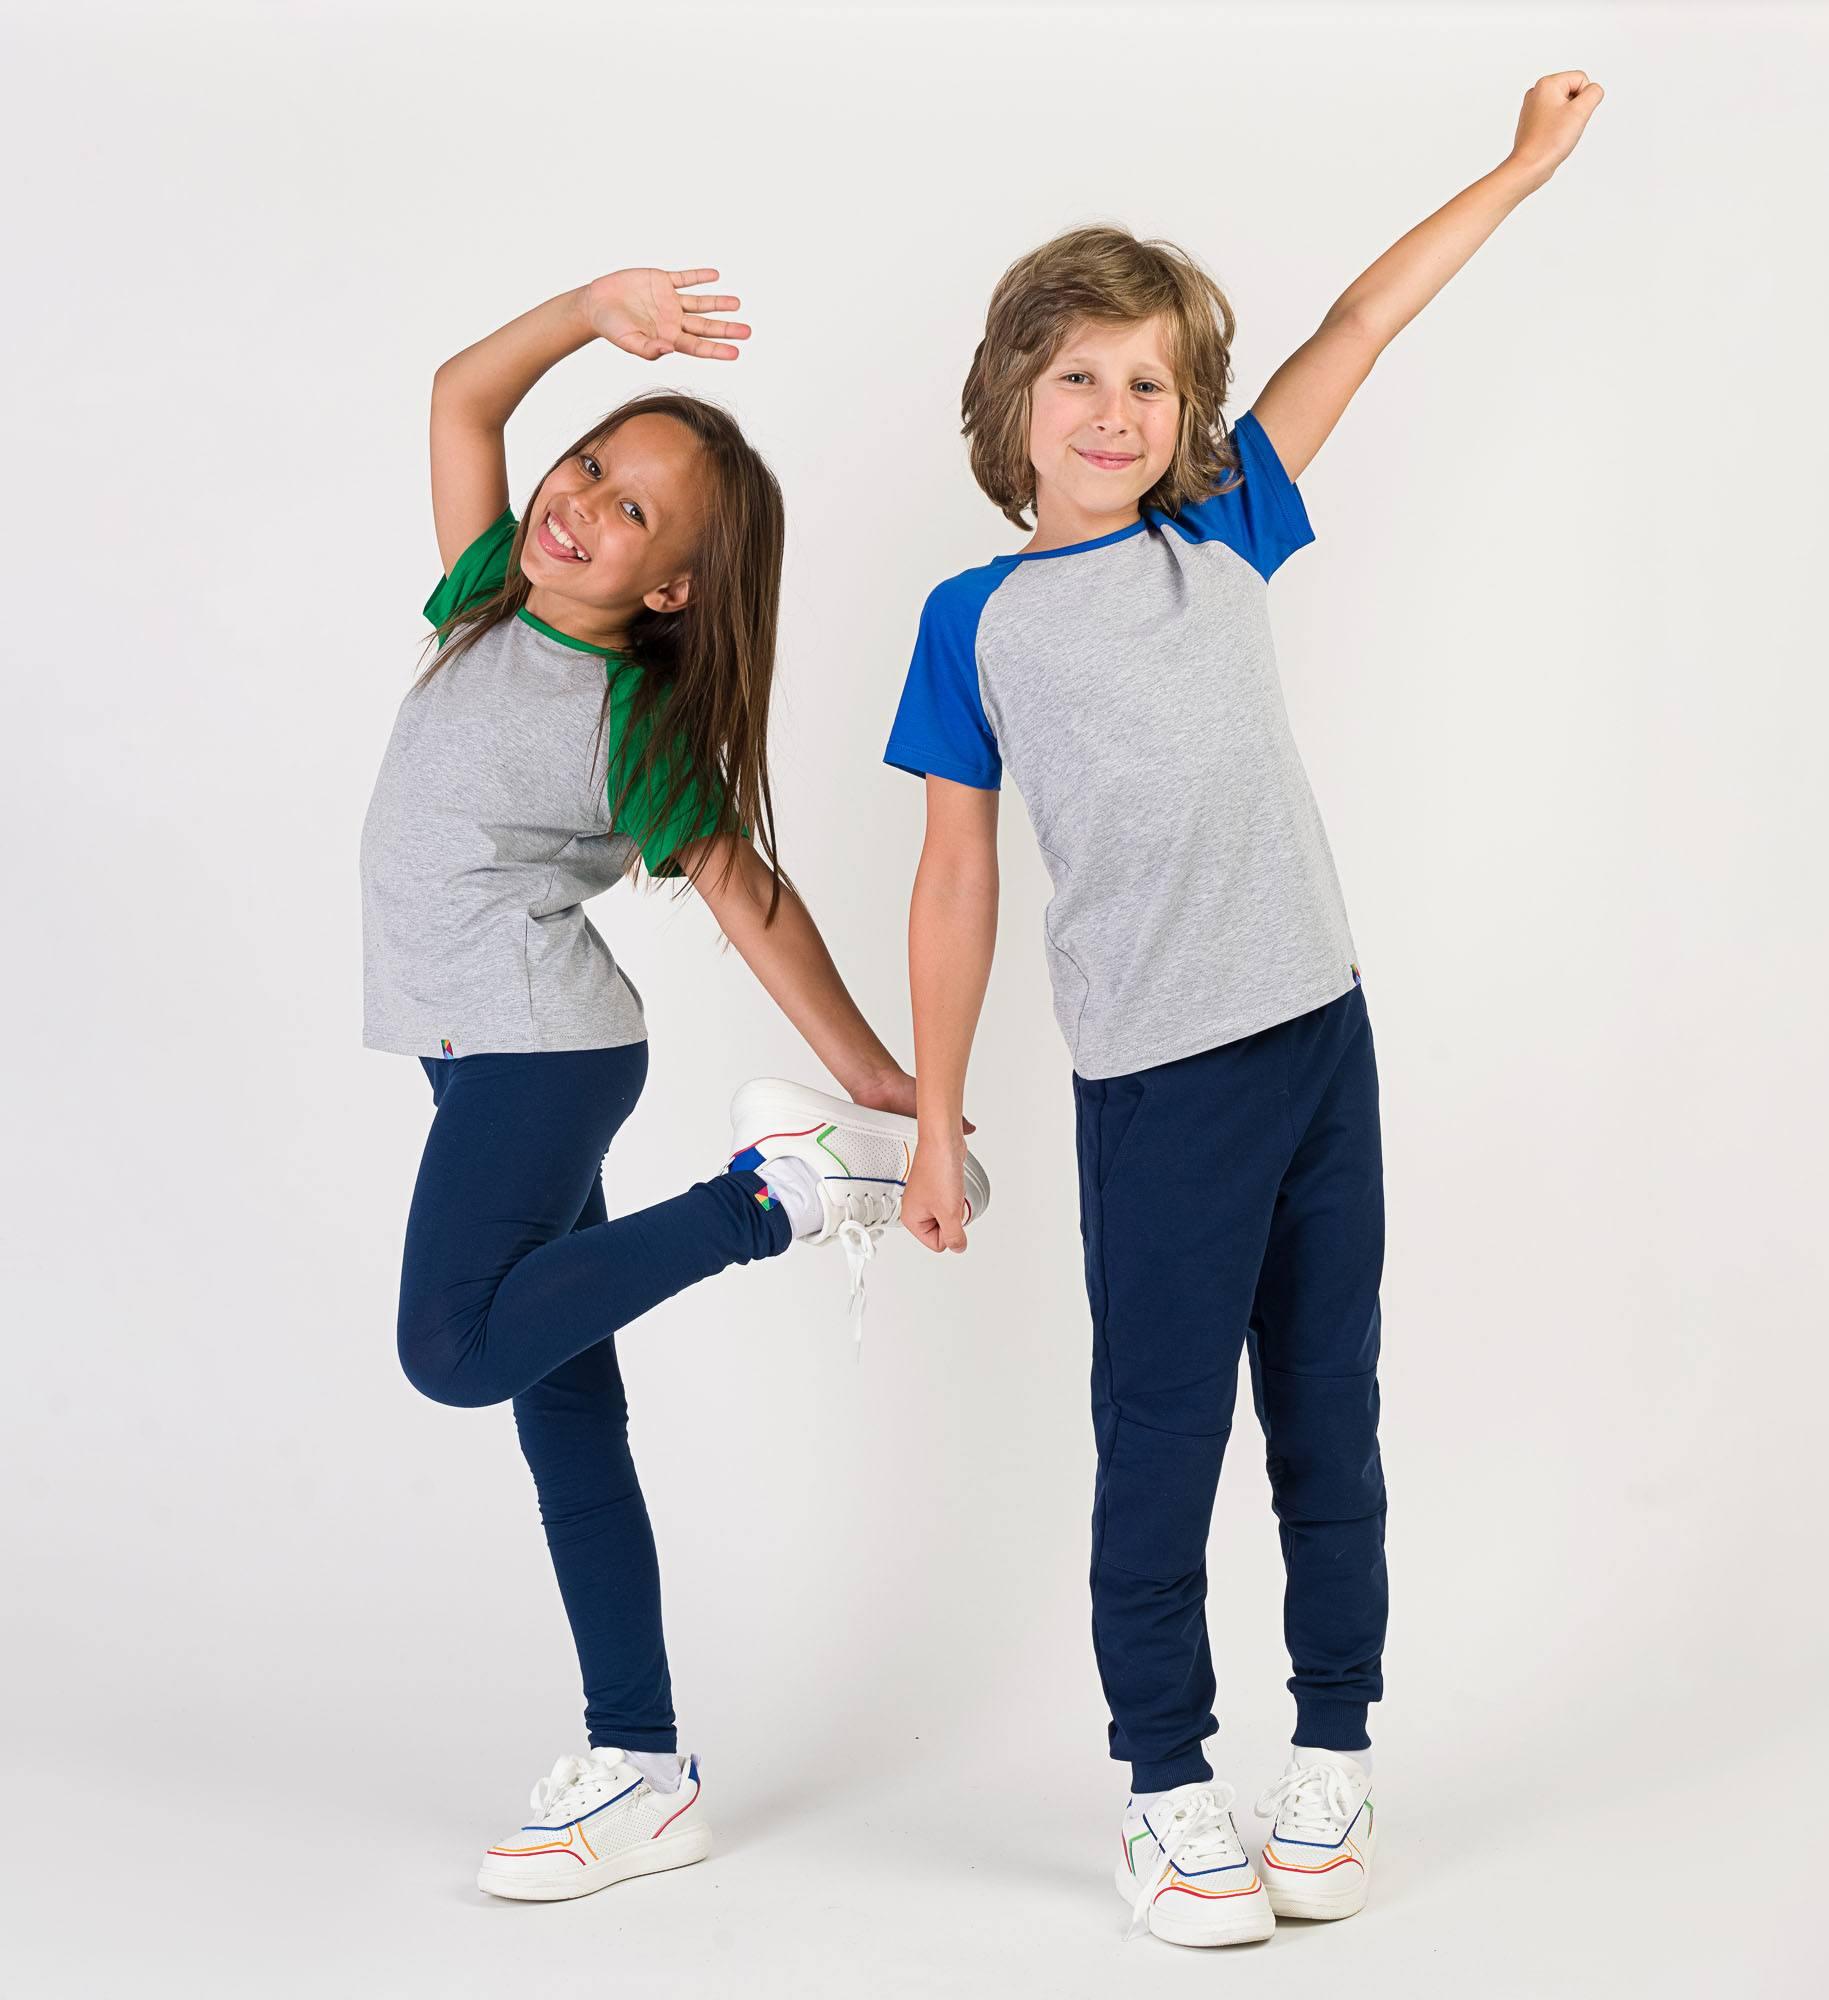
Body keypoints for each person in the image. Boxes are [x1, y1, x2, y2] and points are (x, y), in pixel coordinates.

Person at [887, 73, 1604, 1946]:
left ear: (1187, 416)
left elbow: (1359, 322)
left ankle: (1337, 1754)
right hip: (1155, 1088)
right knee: (1161, 1438)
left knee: (1328, 1421)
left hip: (1318, 1045)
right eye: (1080, 380)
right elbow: (954, 878)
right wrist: (940, 1117)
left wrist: (1517, 171)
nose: (1118, 413)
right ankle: (1163, 1783)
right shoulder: (975, 623)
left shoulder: (1225, 525)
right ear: (1010, 408)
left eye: (1150, 383)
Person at [361, 266, 975, 1901]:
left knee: (455, 1349)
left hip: (537, 1061)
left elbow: (748, 897)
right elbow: (459, 398)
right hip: (478, 1058)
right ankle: (638, 1765)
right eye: (588, 470)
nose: (580, 508)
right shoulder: (488, 591)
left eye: (632, 513)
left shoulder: (631, 719)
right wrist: (588, 310)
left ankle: (772, 1201)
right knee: (566, 1410)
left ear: (676, 591)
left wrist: (877, 1085)